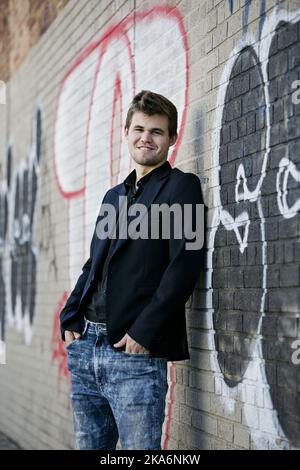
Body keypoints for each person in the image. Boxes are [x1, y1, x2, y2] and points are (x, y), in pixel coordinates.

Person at [60, 90, 204, 450]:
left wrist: (144, 333)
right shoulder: (114, 196)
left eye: (157, 131)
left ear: (171, 138)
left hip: (134, 352)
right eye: (139, 128)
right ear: (126, 132)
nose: (146, 137)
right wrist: (69, 316)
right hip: (86, 346)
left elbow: (184, 266)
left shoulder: (182, 187)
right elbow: (95, 263)